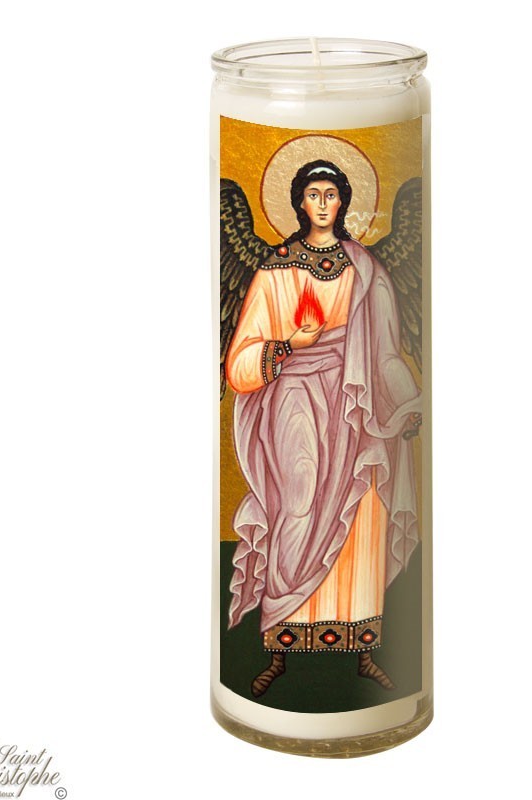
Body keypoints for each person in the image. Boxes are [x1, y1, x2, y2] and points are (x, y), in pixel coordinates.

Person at [225, 159, 422, 697]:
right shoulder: (277, 269)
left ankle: (362, 650)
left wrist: (407, 403)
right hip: (294, 396)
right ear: (298, 201)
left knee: (363, 505)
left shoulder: (365, 270)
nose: (321, 204)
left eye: (330, 194)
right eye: (312, 193)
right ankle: (280, 644)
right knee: (298, 501)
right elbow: (240, 362)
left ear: (343, 201)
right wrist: (289, 345)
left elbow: (385, 352)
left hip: (355, 397)